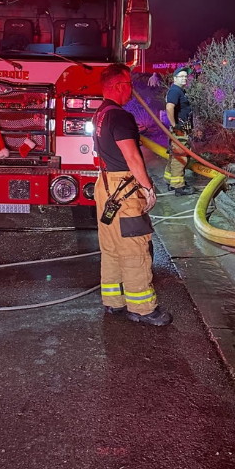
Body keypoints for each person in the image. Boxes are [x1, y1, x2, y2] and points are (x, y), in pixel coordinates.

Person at [92, 64, 172, 326]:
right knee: (135, 248)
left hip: (105, 186)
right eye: (129, 84)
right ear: (117, 86)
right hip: (124, 190)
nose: (132, 89)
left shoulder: (100, 114)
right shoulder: (120, 116)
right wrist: (148, 188)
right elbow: (132, 156)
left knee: (112, 246)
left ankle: (114, 301)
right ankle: (142, 308)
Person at [163, 67, 195, 195]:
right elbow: (169, 107)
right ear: (175, 78)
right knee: (180, 157)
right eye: (181, 76)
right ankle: (178, 187)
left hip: (180, 130)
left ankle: (170, 180)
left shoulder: (180, 91)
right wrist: (175, 125)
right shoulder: (175, 91)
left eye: (185, 76)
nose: (184, 78)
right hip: (180, 131)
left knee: (174, 156)